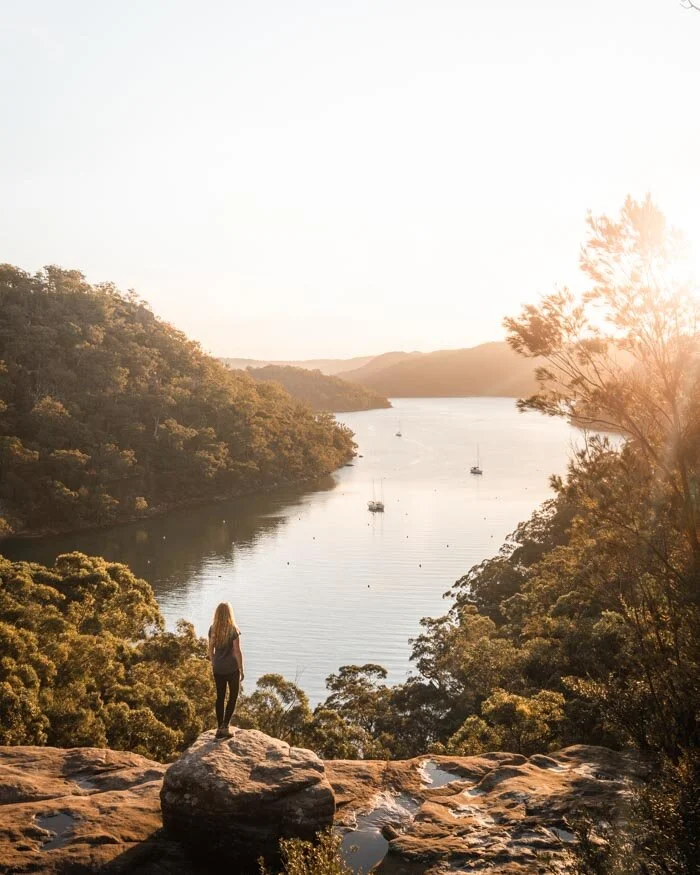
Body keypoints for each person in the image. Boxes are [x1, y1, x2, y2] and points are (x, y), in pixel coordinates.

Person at [208, 602, 244, 738]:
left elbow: (210, 650)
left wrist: (214, 663)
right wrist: (241, 668)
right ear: (230, 613)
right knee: (233, 696)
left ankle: (219, 728)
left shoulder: (212, 629)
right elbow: (237, 651)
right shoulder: (233, 629)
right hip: (231, 668)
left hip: (218, 668)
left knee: (220, 697)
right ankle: (225, 727)